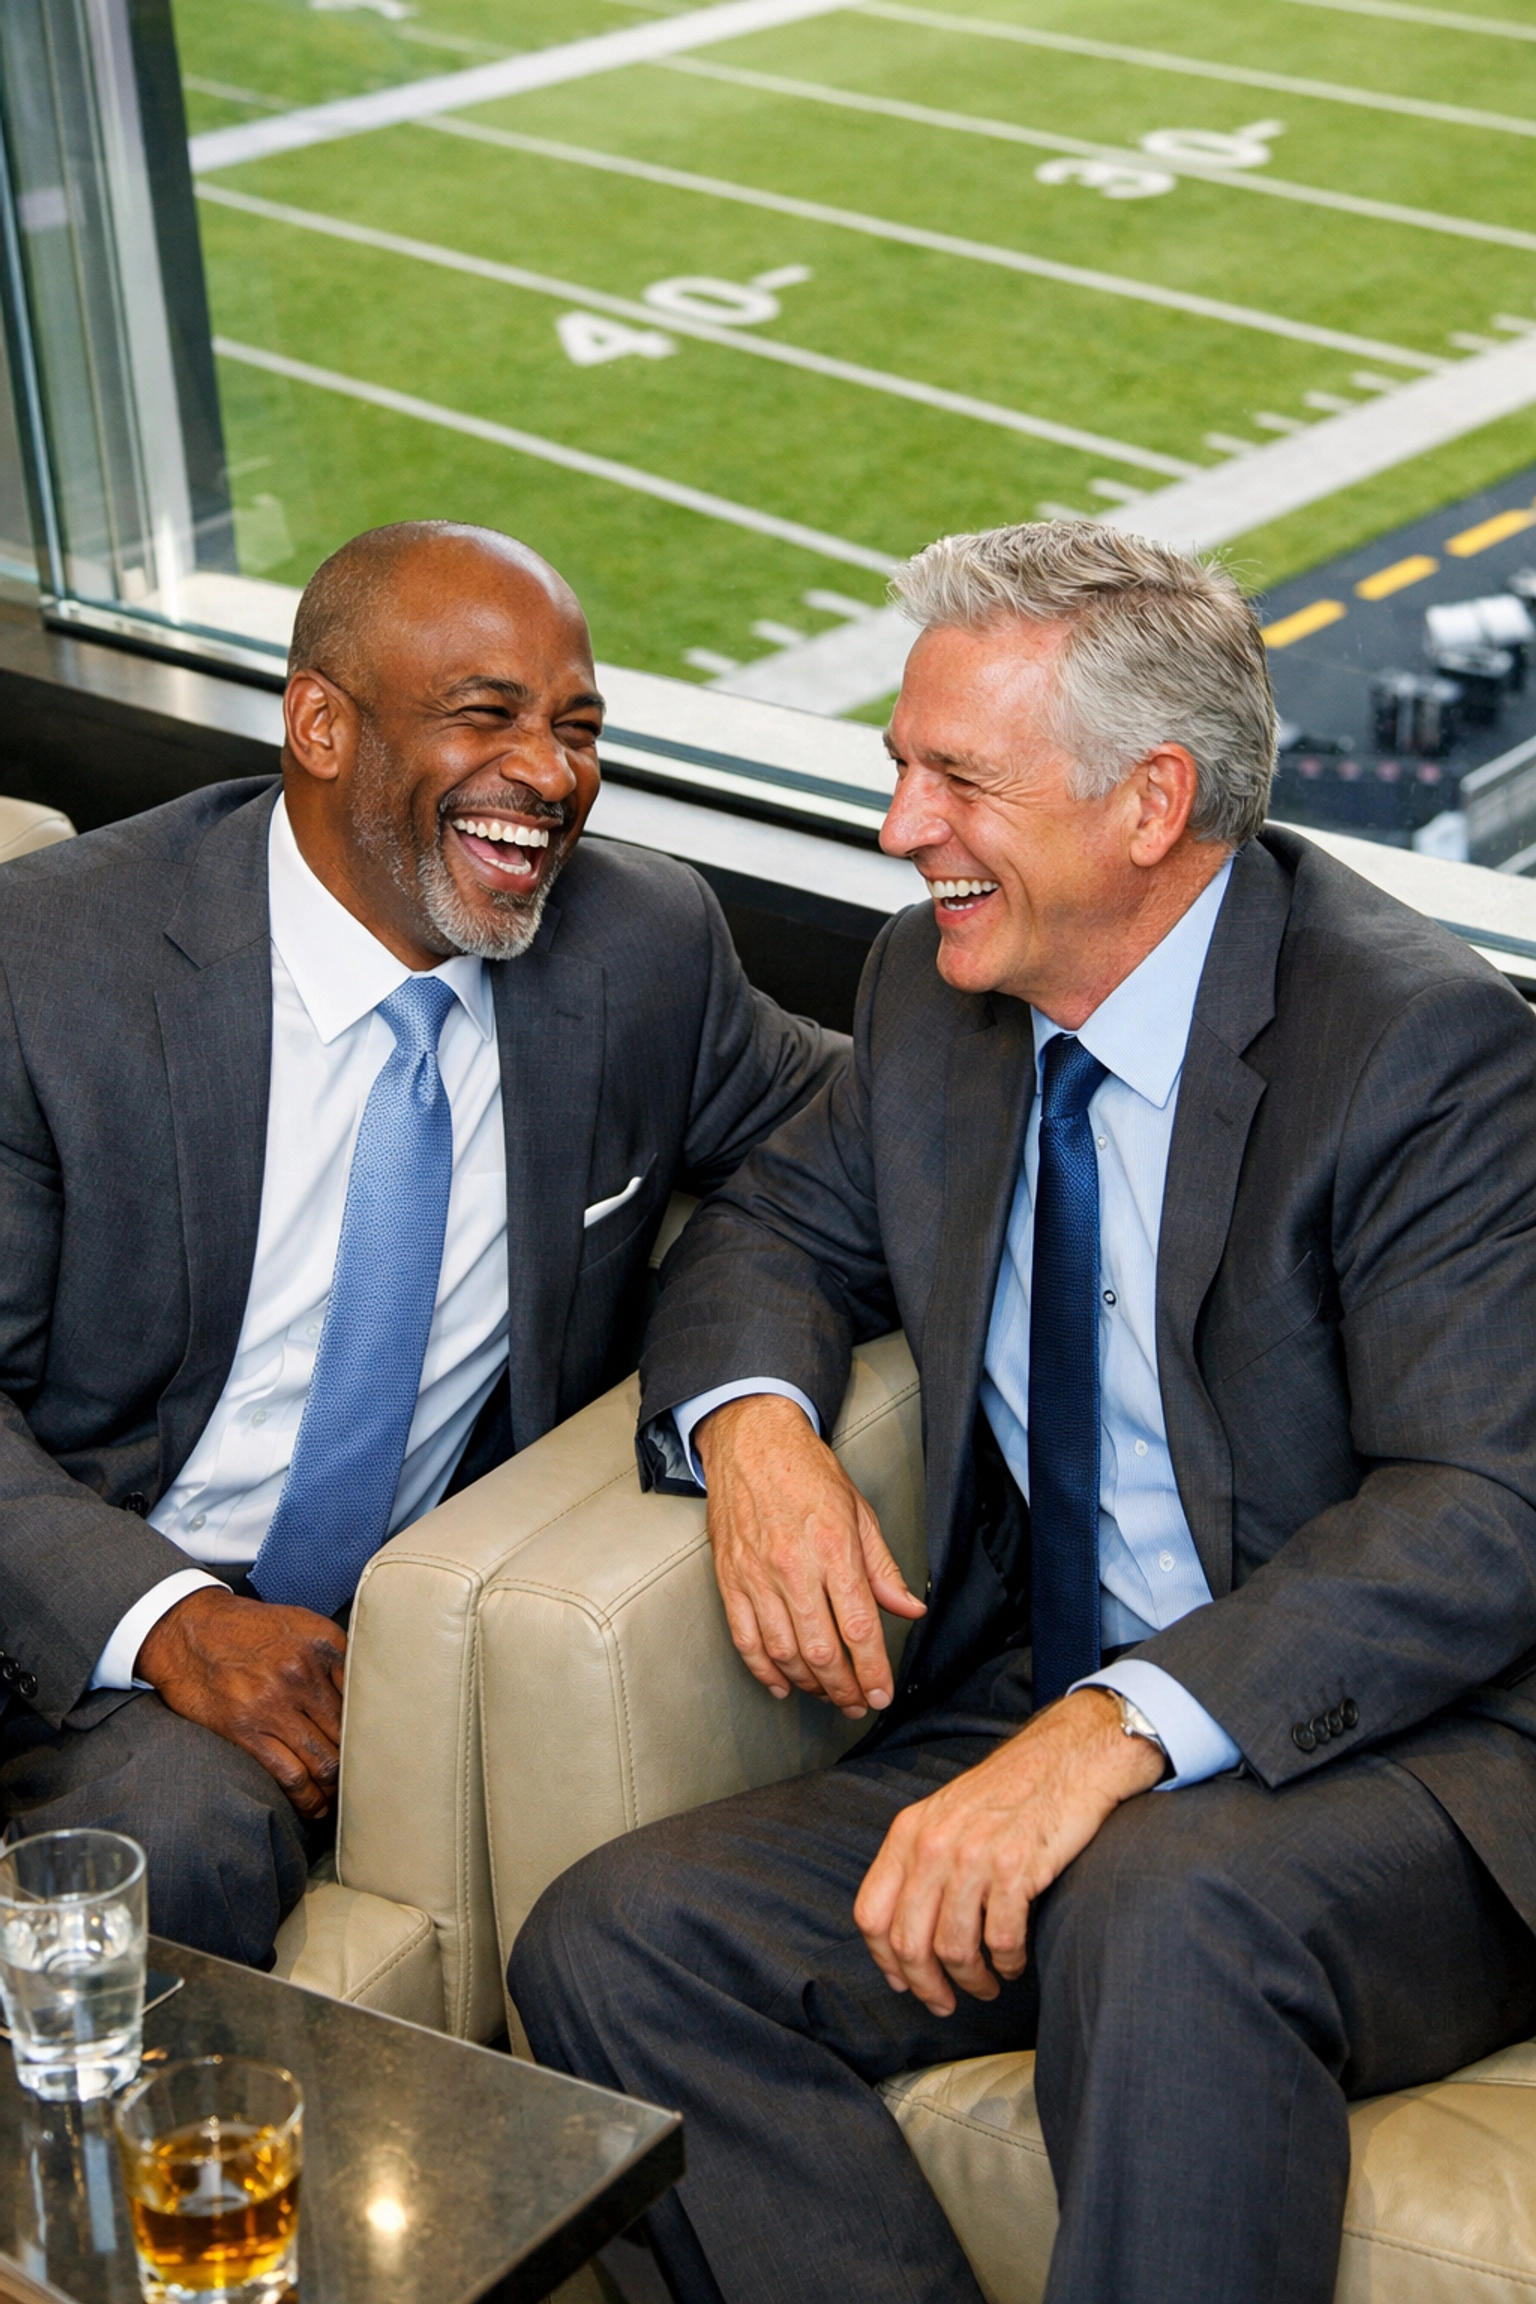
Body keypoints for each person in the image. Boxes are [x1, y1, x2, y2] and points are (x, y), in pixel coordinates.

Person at [511, 521, 1536, 2304]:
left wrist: (1115, 1734)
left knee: (1170, 1907)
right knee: (620, 1942)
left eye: (956, 781)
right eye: (900, 768)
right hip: (1032, 1698)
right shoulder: (938, 991)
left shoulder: (1422, 1051)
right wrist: (755, 1431)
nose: (903, 830)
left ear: (1150, 804)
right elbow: (766, 1224)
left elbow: (1482, 1510)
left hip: (1413, 1763)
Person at [0, 520, 843, 1968]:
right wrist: (169, 1620)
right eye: (487, 716)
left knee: (178, 1836)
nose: (553, 772)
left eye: (579, 727)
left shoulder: (639, 947)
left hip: (276, 1689)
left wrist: (751, 1405)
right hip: (71, 1582)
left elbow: (851, 1152)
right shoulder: (51, 962)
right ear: (321, 725)